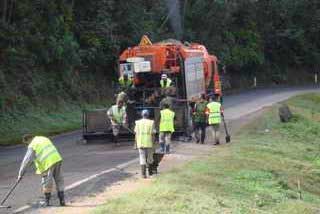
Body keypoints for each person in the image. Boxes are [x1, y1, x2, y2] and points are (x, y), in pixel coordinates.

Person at [17, 134, 65, 207]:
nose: (27, 145)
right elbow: (43, 151)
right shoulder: (43, 138)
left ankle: (47, 201)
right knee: (59, 180)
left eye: (26, 143)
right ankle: (62, 200)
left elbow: (26, 161)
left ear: (28, 140)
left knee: (47, 182)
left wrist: (20, 174)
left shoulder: (32, 145)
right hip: (57, 158)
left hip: (47, 163)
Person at [134, 110, 156, 178]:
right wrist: (153, 143)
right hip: (149, 142)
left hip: (140, 142)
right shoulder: (151, 122)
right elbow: (153, 134)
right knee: (150, 158)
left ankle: (143, 174)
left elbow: (136, 134)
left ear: (142, 115)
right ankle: (150, 173)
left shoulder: (137, 122)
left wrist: (135, 143)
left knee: (142, 158)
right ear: (148, 115)